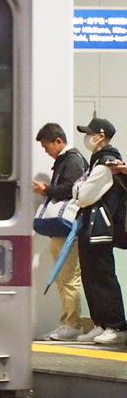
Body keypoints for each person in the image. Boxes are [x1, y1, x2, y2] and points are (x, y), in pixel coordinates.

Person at [72, 118, 127, 344]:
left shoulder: (106, 163)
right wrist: (79, 188)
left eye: (90, 133)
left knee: (103, 276)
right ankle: (101, 323)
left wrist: (78, 188)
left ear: (101, 136)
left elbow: (82, 196)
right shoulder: (96, 162)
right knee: (90, 276)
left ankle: (116, 326)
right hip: (90, 227)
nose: (87, 137)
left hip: (100, 228)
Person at [33, 123, 86, 340]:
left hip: (68, 230)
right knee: (63, 278)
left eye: (47, 147)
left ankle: (72, 324)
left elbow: (71, 189)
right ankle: (67, 322)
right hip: (61, 231)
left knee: (68, 277)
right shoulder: (66, 160)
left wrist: (47, 190)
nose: (47, 151)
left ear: (58, 141)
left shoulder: (72, 160)